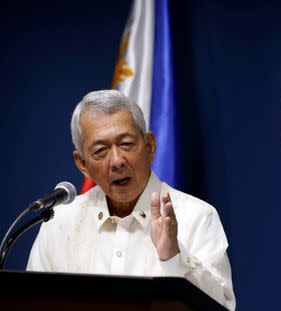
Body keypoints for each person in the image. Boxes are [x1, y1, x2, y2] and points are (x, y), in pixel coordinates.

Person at [26, 90, 236, 310]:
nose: (117, 161)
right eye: (100, 150)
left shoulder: (197, 216)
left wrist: (174, 257)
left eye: (126, 144)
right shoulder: (59, 222)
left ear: (150, 146)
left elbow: (222, 307)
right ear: (82, 164)